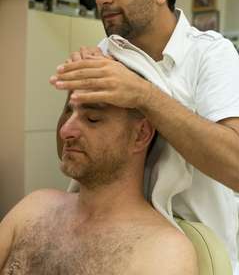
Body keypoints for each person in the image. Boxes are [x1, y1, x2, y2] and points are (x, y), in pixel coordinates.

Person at [50, 0, 239, 274]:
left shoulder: (211, 55)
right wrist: (76, 99)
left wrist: (144, 95)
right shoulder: (107, 53)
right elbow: (68, 146)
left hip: (195, 254)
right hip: (116, 246)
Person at [0, 95, 198, 274]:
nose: (65, 130)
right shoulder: (34, 208)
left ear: (141, 134)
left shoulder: (162, 251)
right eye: (69, 112)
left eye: (92, 118)